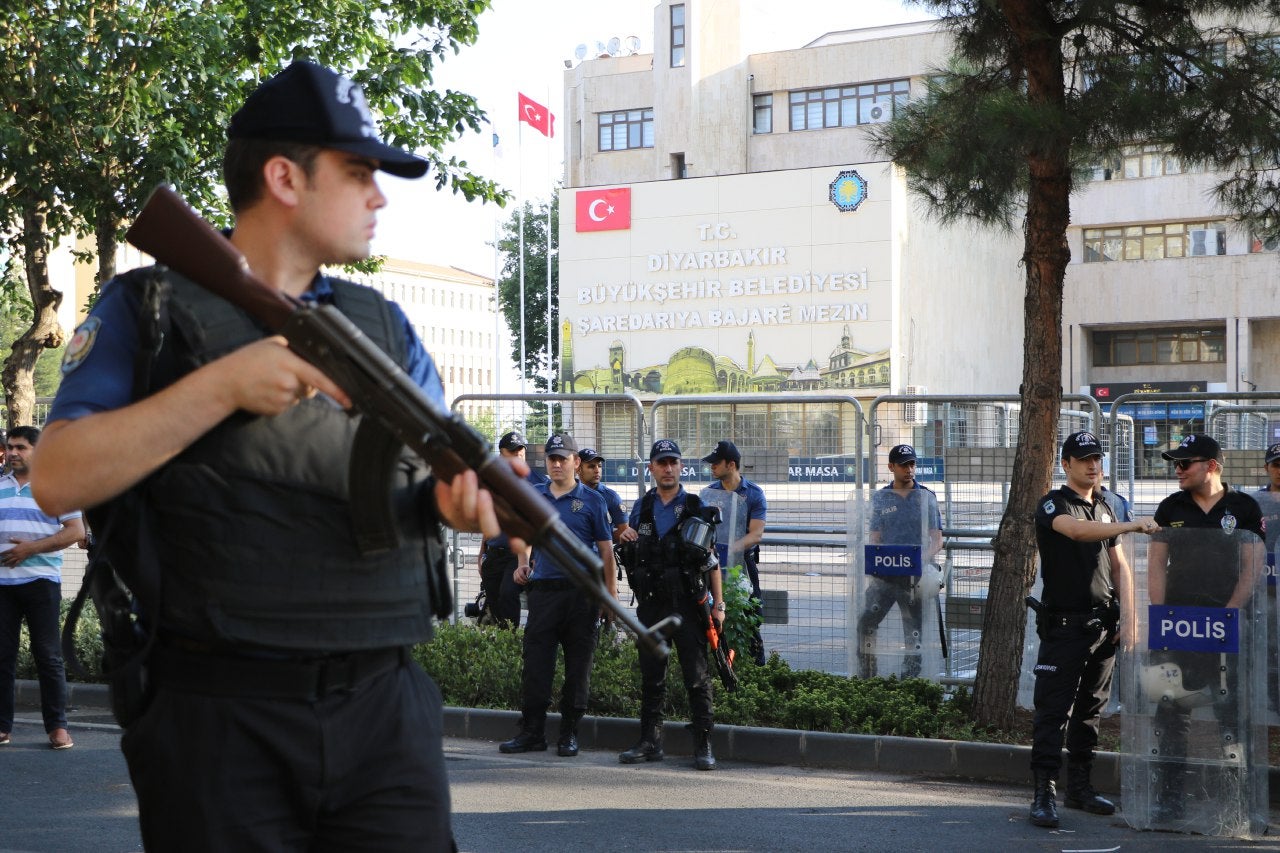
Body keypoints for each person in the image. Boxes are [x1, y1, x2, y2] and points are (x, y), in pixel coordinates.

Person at [31, 61, 520, 852]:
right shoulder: (146, 310)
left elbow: (426, 469)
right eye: (359, 172)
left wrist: (448, 503)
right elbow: (55, 477)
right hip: (217, 710)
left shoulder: (385, 329)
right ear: (285, 177)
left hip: (383, 707)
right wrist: (222, 385)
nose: (380, 196)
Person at [1027, 431, 1154, 829]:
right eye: (1083, 459)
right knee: (1053, 712)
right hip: (1065, 627)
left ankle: (1079, 787)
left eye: (1097, 457)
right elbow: (1078, 533)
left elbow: (1120, 567)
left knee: (1090, 712)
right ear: (1066, 464)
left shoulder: (1104, 507)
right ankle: (1043, 792)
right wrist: (1132, 527)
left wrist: (1130, 615)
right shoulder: (1054, 504)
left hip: (1103, 627)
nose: (1092, 465)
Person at [1146, 434, 1265, 822]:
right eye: (1175, 464)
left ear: (1212, 465)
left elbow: (1251, 568)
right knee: (1171, 712)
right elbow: (1155, 567)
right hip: (1180, 628)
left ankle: (1238, 800)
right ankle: (1169, 797)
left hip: (1225, 627)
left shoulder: (1243, 507)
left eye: (1186, 463)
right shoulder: (1170, 507)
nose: (1178, 469)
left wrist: (1229, 615)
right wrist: (1160, 619)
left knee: (1232, 714)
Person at [500, 434, 616, 757]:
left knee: (578, 668)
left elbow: (607, 553)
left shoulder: (593, 501)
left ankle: (569, 734)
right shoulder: (535, 496)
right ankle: (533, 733)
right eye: (552, 458)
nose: (556, 463)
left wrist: (611, 597)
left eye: (563, 458)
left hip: (582, 597)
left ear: (576, 462)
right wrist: (522, 563)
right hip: (545, 595)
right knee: (536, 665)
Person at [617, 439, 724, 771]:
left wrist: (719, 604)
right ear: (651, 468)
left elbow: (711, 562)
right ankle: (650, 741)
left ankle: (703, 744)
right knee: (652, 677)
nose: (667, 468)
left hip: (689, 607)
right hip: (651, 606)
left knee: (696, 677)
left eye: (672, 463)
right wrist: (625, 537)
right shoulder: (641, 507)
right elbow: (633, 544)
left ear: (681, 467)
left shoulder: (695, 506)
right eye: (661, 463)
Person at [0, 426, 84, 750]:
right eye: (10, 447)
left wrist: (30, 549)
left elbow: (75, 531)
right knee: (2, 657)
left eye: (21, 447)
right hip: (3, 586)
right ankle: (3, 726)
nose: (13, 453)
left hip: (41, 583)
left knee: (48, 656)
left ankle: (58, 728)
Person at [856, 444, 943, 679]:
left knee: (913, 634)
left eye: (912, 464)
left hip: (915, 576)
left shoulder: (926, 497)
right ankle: (867, 676)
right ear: (891, 467)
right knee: (866, 622)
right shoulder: (882, 498)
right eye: (904, 465)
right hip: (885, 576)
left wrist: (922, 558)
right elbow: (875, 537)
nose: (909, 469)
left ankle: (911, 683)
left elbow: (937, 538)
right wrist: (878, 559)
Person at [700, 439, 768, 665]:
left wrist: (729, 551)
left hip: (742, 566)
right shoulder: (707, 495)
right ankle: (718, 665)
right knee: (712, 615)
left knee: (748, 619)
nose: (711, 467)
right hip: (712, 564)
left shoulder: (754, 494)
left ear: (731, 464)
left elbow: (756, 534)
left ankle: (757, 669)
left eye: (716, 463)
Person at [477, 431, 548, 627]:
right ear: (501, 454)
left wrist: (530, 558)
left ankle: (512, 640)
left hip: (518, 554)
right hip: (494, 552)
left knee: (508, 593)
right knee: (494, 598)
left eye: (521, 449)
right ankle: (503, 643)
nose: (518, 454)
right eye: (512, 451)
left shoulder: (539, 482)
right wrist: (482, 551)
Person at [1254, 442, 1280, 713]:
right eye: (1276, 465)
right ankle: (1274, 697)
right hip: (1266, 588)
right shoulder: (1254, 502)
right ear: (1267, 468)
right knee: (1271, 644)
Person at [577, 447, 629, 542]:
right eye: (591, 466)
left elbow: (624, 530)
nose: (597, 470)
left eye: (599, 466)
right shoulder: (570, 493)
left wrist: (602, 540)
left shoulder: (611, 497)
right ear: (578, 469)